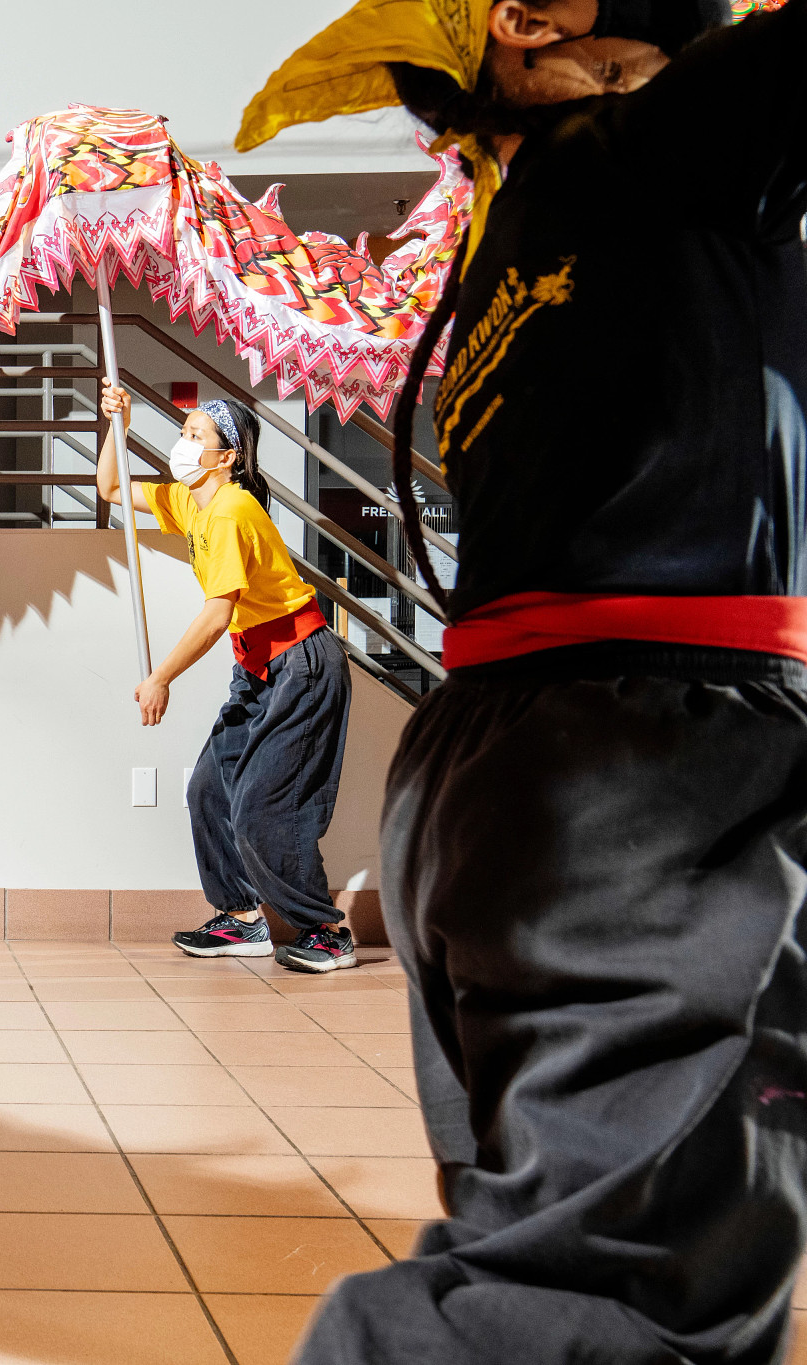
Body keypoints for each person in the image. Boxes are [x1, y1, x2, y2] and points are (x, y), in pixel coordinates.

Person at [236, 1, 807, 1360]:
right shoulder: (658, 145)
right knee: (607, 1314)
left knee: (559, 1252)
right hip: (638, 785)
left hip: (490, 782)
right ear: (534, 18)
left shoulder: (516, 247)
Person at [96, 383, 356, 972]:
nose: (182, 444)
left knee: (263, 805)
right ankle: (242, 920)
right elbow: (109, 488)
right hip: (258, 666)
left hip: (301, 664)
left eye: (196, 436)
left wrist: (161, 676)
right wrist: (117, 422)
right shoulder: (192, 502)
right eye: (182, 432)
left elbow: (217, 614)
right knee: (209, 791)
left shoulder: (234, 508)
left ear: (227, 456)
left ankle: (325, 931)